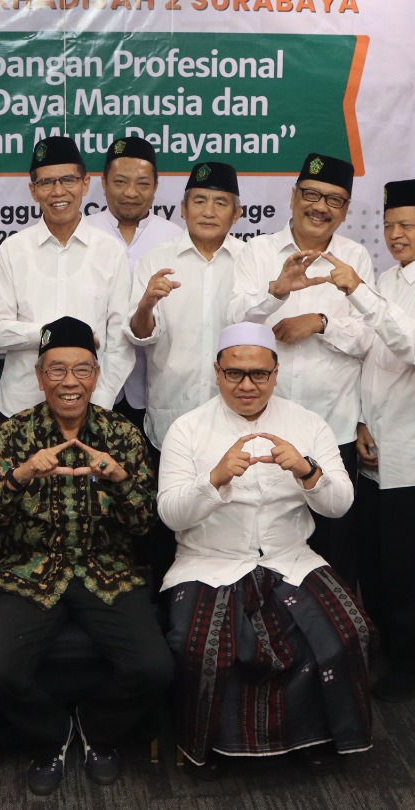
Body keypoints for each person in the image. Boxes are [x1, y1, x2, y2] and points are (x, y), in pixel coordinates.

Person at [0, 316, 172, 795]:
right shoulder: (13, 434)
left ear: (96, 376)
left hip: (108, 570)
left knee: (154, 668)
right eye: (57, 370)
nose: (69, 382)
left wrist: (119, 480)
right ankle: (52, 735)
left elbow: (146, 524)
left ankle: (97, 730)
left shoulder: (121, 434)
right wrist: (18, 477)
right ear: (40, 377)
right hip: (28, 572)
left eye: (81, 369)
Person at [158, 322, 369, 776]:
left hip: (290, 558)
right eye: (234, 373)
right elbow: (171, 514)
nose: (247, 385)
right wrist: (213, 480)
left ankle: (314, 735)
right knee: (202, 647)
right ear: (217, 373)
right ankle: (212, 746)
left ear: (276, 373)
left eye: (259, 374)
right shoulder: (187, 429)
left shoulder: (308, 424)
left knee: (345, 631)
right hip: (209, 562)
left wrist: (308, 471)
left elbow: (339, 505)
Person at [320, 178, 415, 702]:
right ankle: (389, 645)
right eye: (388, 226)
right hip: (378, 444)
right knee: (380, 562)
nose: (395, 235)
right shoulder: (389, 276)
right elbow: (371, 352)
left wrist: (357, 292)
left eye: (406, 225)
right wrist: (362, 419)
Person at [229, 152, 374, 589]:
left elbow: (369, 336)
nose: (320, 207)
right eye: (311, 194)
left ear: (345, 209)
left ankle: (334, 624)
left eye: (334, 199)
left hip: (333, 426)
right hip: (266, 426)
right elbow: (234, 321)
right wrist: (276, 293)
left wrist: (320, 323)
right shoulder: (258, 251)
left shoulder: (355, 258)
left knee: (334, 546)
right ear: (293, 197)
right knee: (265, 543)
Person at [0, 136, 134, 417]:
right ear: (33, 190)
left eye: (68, 180)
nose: (58, 191)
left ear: (85, 184)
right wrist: (50, 333)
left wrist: (98, 401)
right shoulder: (13, 250)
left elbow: (120, 342)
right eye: (46, 182)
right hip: (22, 408)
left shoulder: (110, 251)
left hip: (91, 409)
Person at [128, 161, 246, 450]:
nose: (208, 211)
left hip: (237, 418)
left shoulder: (250, 261)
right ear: (183, 208)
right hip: (171, 415)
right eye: (199, 201)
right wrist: (145, 306)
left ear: (237, 214)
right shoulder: (156, 260)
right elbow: (140, 336)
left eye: (220, 203)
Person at [86, 136, 182, 432]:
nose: (130, 193)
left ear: (155, 186)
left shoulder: (175, 239)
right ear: (103, 183)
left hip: (155, 387)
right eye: (120, 182)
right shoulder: (83, 233)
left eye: (142, 183)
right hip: (93, 386)